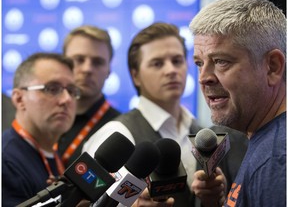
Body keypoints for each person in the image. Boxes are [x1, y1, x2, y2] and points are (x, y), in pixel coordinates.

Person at [83, 22, 247, 207]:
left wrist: (214, 199)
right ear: (135, 75)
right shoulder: (116, 135)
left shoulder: (202, 133)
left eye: (177, 61)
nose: (171, 70)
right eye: (157, 63)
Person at [189, 0, 286, 207]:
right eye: (199, 63)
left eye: (221, 61)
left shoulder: (277, 161)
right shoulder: (265, 141)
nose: (203, 77)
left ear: (272, 67)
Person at [2, 52, 79, 206]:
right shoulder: (5, 162)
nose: (66, 99)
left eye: (71, 90)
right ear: (19, 99)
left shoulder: (50, 151)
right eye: (52, 89)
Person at [56, 25, 121, 167]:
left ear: (109, 70)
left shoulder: (120, 129)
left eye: (98, 62)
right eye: (78, 60)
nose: (87, 69)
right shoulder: (41, 117)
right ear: (63, 64)